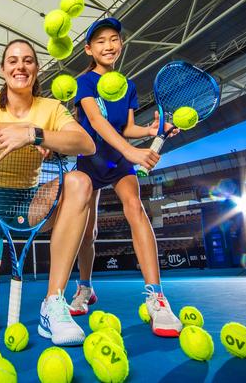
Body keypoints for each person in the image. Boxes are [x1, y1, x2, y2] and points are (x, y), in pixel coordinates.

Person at [0, 39, 96, 346]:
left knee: (80, 182)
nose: (21, 66)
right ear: (4, 69)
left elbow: (86, 144)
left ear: (36, 68)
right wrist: (15, 130)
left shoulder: (51, 109)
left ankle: (53, 302)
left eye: (28, 60)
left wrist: (34, 134)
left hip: (31, 204)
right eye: (13, 61)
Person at [69, 18, 183, 337]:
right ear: (89, 49)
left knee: (135, 209)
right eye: (101, 41)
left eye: (114, 39)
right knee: (87, 231)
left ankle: (156, 297)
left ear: (121, 44)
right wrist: (134, 152)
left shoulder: (128, 85)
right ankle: (85, 288)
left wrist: (150, 130)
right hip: (90, 160)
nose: (109, 45)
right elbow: (97, 122)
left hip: (118, 161)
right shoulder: (84, 83)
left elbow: (126, 127)